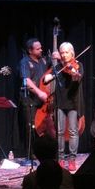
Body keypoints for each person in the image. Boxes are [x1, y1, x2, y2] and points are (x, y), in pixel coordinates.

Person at [43, 42, 85, 171]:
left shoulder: (78, 65)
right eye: (62, 53)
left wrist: (74, 73)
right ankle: (60, 158)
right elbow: (45, 80)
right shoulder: (58, 67)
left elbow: (77, 76)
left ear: (72, 53)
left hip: (73, 102)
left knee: (73, 131)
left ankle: (72, 159)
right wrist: (49, 76)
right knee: (59, 132)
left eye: (66, 52)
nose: (64, 55)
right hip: (60, 102)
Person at [19, 38, 55, 154]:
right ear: (30, 51)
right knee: (31, 128)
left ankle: (47, 151)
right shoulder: (25, 62)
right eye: (38, 49)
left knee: (45, 126)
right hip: (30, 100)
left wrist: (56, 56)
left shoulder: (44, 60)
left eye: (41, 48)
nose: (41, 50)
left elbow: (56, 66)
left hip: (44, 102)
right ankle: (32, 154)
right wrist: (39, 92)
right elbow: (26, 80)